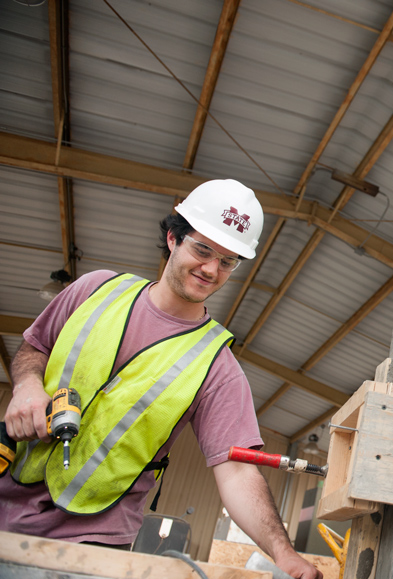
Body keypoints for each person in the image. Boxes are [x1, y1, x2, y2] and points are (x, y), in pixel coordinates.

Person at [1, 179, 322, 579]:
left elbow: (237, 471)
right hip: (6, 504)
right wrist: (28, 387)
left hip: (94, 543)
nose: (211, 269)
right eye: (202, 249)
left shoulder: (217, 368)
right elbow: (34, 349)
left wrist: (283, 552)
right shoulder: (95, 289)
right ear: (173, 237)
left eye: (228, 261)